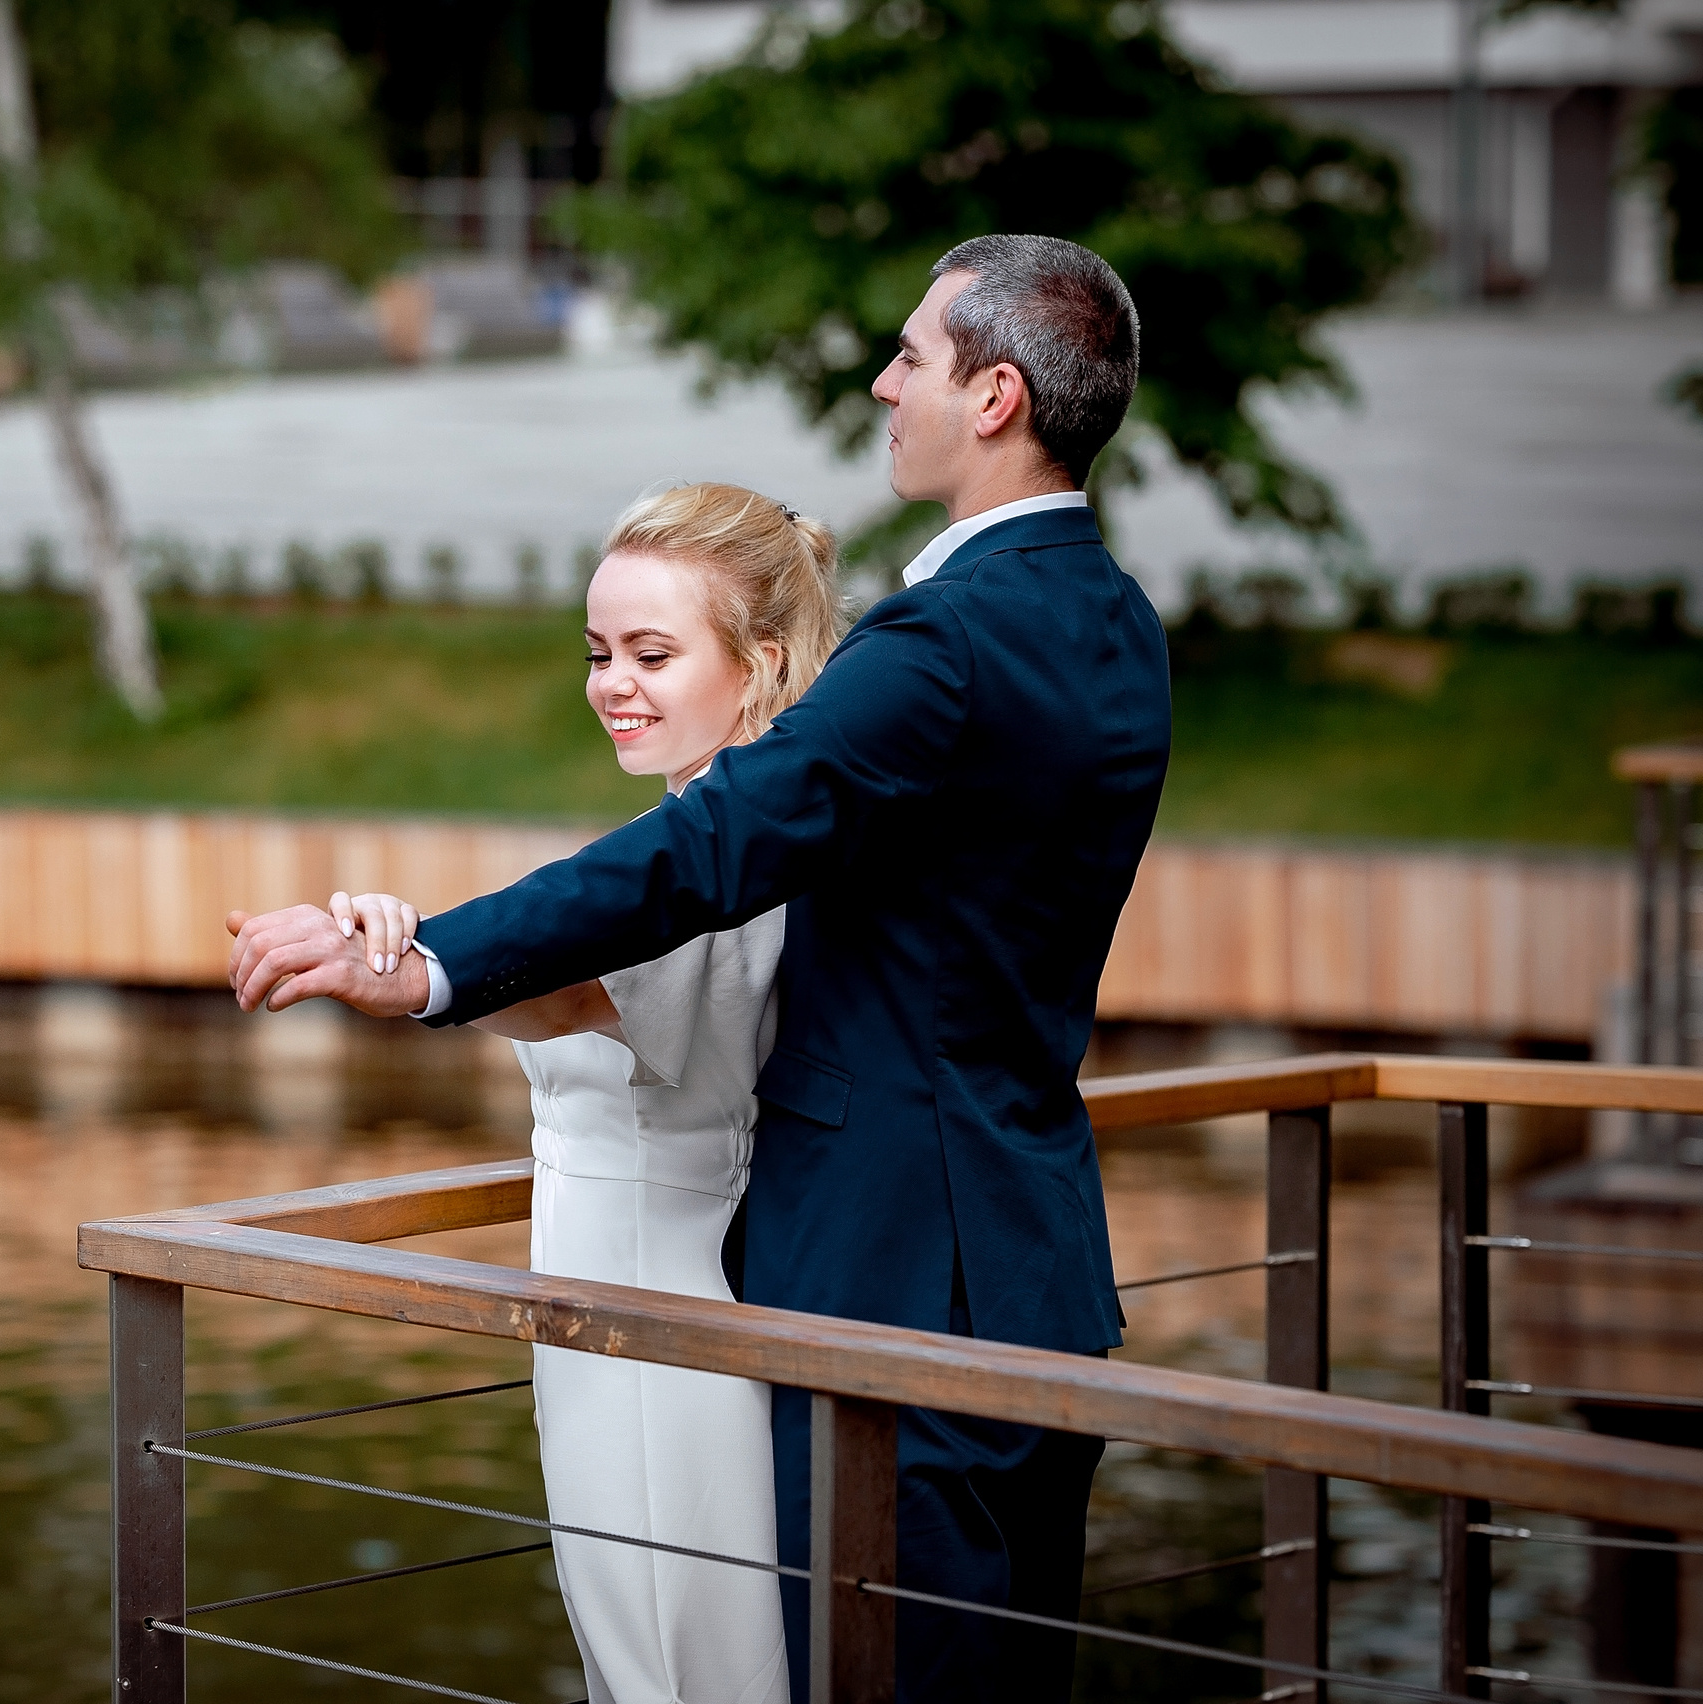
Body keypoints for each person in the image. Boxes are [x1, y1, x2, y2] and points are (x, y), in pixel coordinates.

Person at [228, 233, 1168, 1702]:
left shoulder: (945, 642)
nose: (883, 380)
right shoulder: (1114, 622)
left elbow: (705, 854)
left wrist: (428, 965)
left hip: (887, 1283)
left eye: (912, 355)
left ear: (994, 396)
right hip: (1041, 1260)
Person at [327, 482, 836, 1704]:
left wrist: (405, 964)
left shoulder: (726, 863)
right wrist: (425, 959)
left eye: (654, 654)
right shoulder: (705, 836)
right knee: (643, 1644)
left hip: (660, 1316)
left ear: (760, 663)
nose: (614, 682)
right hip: (602, 1302)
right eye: (601, 653)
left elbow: (568, 996)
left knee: (674, 1655)